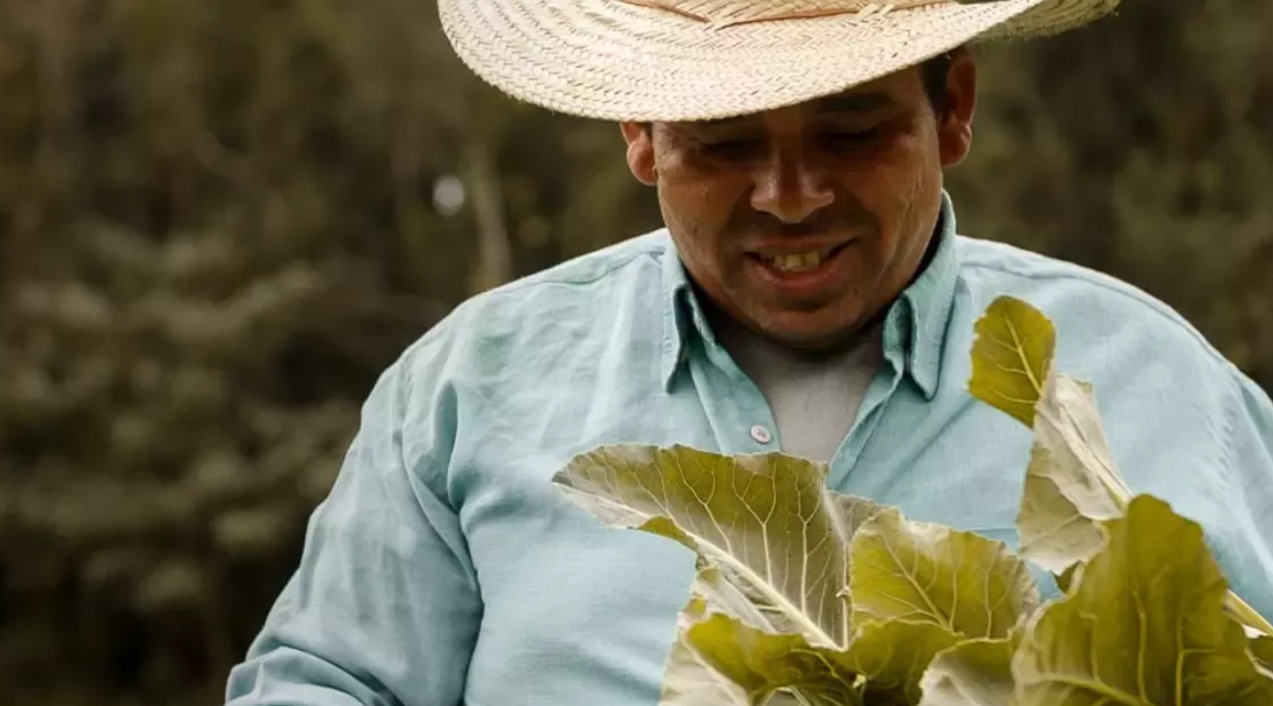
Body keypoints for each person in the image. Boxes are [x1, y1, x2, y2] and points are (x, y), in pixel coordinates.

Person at [225, 0, 1273, 704]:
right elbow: (325, 682)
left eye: (849, 133)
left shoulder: (1156, 387)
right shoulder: (468, 390)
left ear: (950, 109)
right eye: (724, 145)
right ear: (641, 135)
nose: (789, 196)